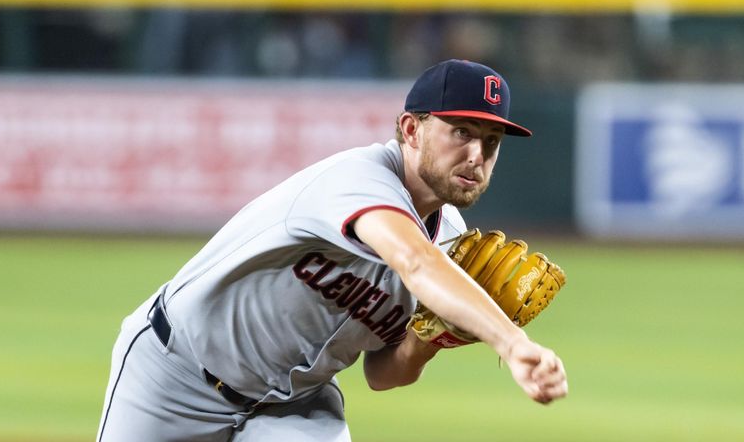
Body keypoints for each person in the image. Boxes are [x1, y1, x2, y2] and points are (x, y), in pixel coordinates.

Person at [96, 59, 568, 442]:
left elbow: (382, 374)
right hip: (174, 375)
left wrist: (428, 339)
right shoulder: (358, 179)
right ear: (411, 129)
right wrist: (512, 342)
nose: (476, 156)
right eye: (460, 132)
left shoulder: (451, 238)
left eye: (490, 142)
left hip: (294, 409)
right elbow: (415, 260)